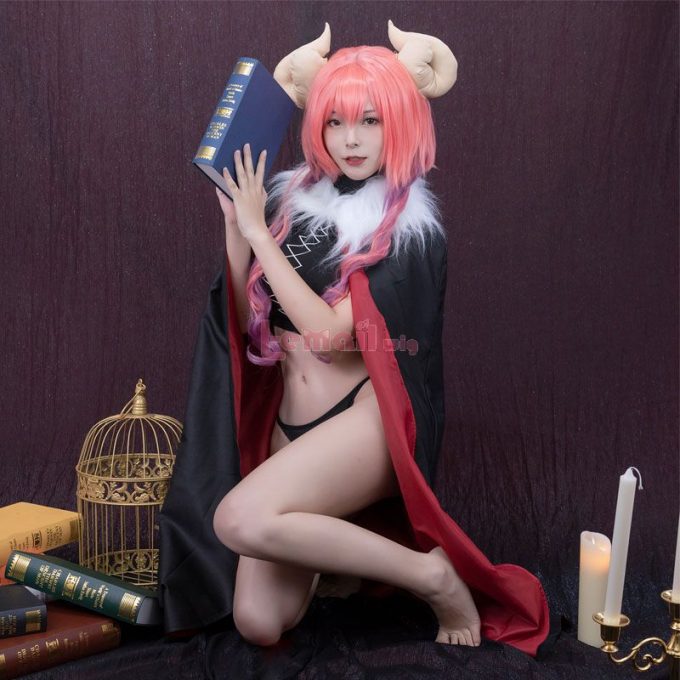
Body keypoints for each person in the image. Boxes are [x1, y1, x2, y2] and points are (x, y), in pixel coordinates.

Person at [158, 21, 551, 656]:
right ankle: (333, 555)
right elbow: (238, 311)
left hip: (361, 422)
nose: (351, 139)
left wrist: (257, 234)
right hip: (288, 424)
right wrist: (237, 226)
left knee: (238, 517)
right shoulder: (288, 201)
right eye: (336, 122)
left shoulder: (409, 229)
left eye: (370, 120)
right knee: (257, 622)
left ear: (401, 122)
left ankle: (432, 576)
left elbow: (329, 337)